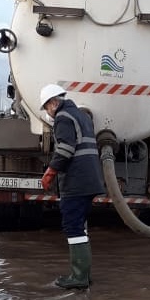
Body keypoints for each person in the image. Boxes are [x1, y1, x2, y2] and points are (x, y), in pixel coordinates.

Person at [40, 83, 105, 289]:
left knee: (73, 226)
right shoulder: (81, 116)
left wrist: (50, 172)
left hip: (77, 181)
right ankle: (84, 275)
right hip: (89, 179)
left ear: (53, 103)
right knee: (79, 227)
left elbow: (66, 149)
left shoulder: (63, 117)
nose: (48, 114)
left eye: (46, 108)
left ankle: (79, 277)